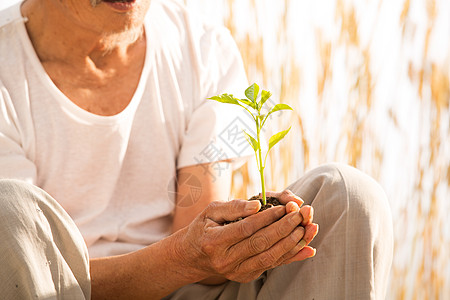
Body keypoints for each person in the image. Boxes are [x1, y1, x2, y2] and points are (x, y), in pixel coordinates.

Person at [0, 0, 393, 299]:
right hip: (61, 290)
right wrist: (183, 257)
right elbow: (25, 266)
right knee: (7, 208)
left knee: (347, 193)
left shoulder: (201, 47)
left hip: (187, 288)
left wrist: (246, 235)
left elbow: (202, 259)